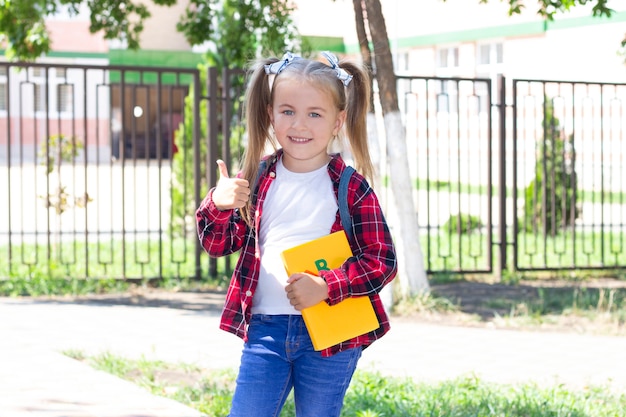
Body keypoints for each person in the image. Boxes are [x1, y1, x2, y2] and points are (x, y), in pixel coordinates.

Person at [196, 51, 397, 417]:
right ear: (270, 114)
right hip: (265, 332)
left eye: (314, 114)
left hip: (332, 335)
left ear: (338, 121)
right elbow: (217, 243)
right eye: (287, 111)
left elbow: (382, 261)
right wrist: (218, 203)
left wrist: (326, 286)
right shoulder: (256, 180)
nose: (299, 125)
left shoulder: (351, 187)